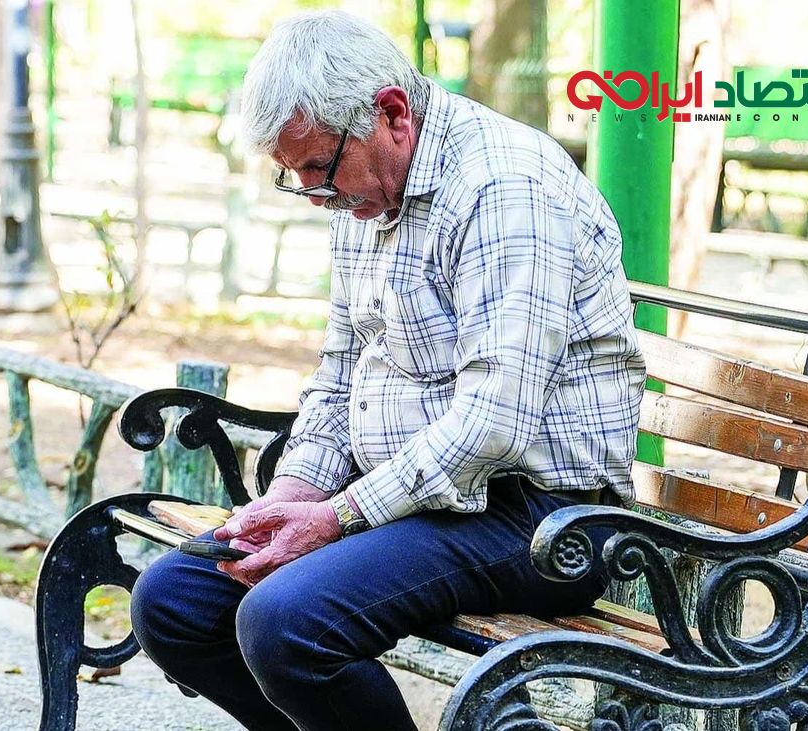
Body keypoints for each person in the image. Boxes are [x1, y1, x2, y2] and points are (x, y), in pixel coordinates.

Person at [130, 10, 645, 730]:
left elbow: (493, 423)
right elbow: (341, 370)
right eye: (293, 175)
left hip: (539, 519)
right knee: (175, 602)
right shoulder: (363, 194)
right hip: (411, 501)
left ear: (393, 115)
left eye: (318, 168)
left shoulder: (504, 187)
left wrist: (337, 517)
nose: (315, 194)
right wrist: (291, 498)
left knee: (287, 623)